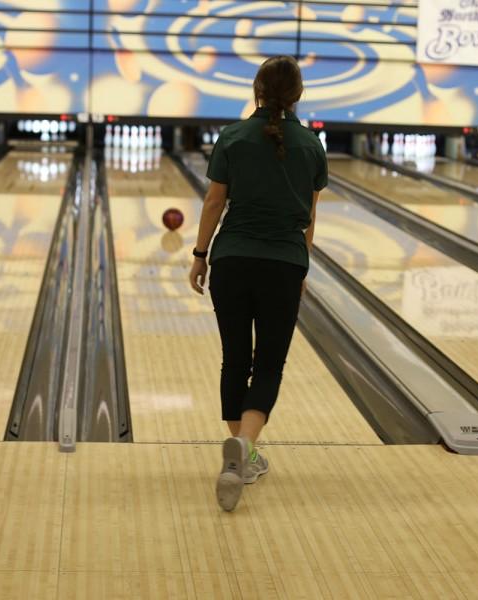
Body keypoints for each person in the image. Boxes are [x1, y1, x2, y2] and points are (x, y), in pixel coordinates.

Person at [189, 55, 327, 512]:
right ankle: (245, 447)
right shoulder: (311, 145)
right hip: (283, 264)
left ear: (257, 89)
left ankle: (239, 456)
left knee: (235, 359)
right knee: (269, 363)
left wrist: (199, 254)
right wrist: (301, 265)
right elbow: (308, 217)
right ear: (299, 94)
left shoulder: (232, 136)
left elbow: (213, 202)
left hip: (231, 261)